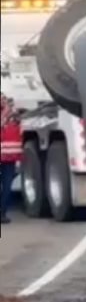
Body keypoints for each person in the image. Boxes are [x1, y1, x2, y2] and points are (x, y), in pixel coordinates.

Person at [1, 93, 24, 225]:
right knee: (7, 184)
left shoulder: (9, 113)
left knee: (6, 184)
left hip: (8, 153)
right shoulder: (11, 112)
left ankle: (2, 213)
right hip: (10, 154)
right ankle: (2, 213)